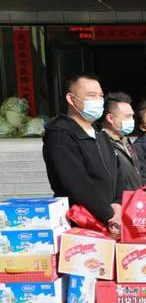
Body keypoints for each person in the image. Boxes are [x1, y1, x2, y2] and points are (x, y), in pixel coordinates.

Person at [42, 73, 122, 233]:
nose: (98, 101)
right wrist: (110, 216)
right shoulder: (60, 135)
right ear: (71, 99)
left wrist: (118, 204)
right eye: (91, 96)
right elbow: (77, 183)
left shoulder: (100, 133)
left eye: (100, 96)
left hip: (112, 221)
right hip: (82, 223)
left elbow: (117, 171)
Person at [100, 92, 143, 191]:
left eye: (132, 116)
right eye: (127, 116)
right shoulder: (102, 144)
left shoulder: (125, 141)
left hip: (134, 197)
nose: (132, 120)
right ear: (110, 118)